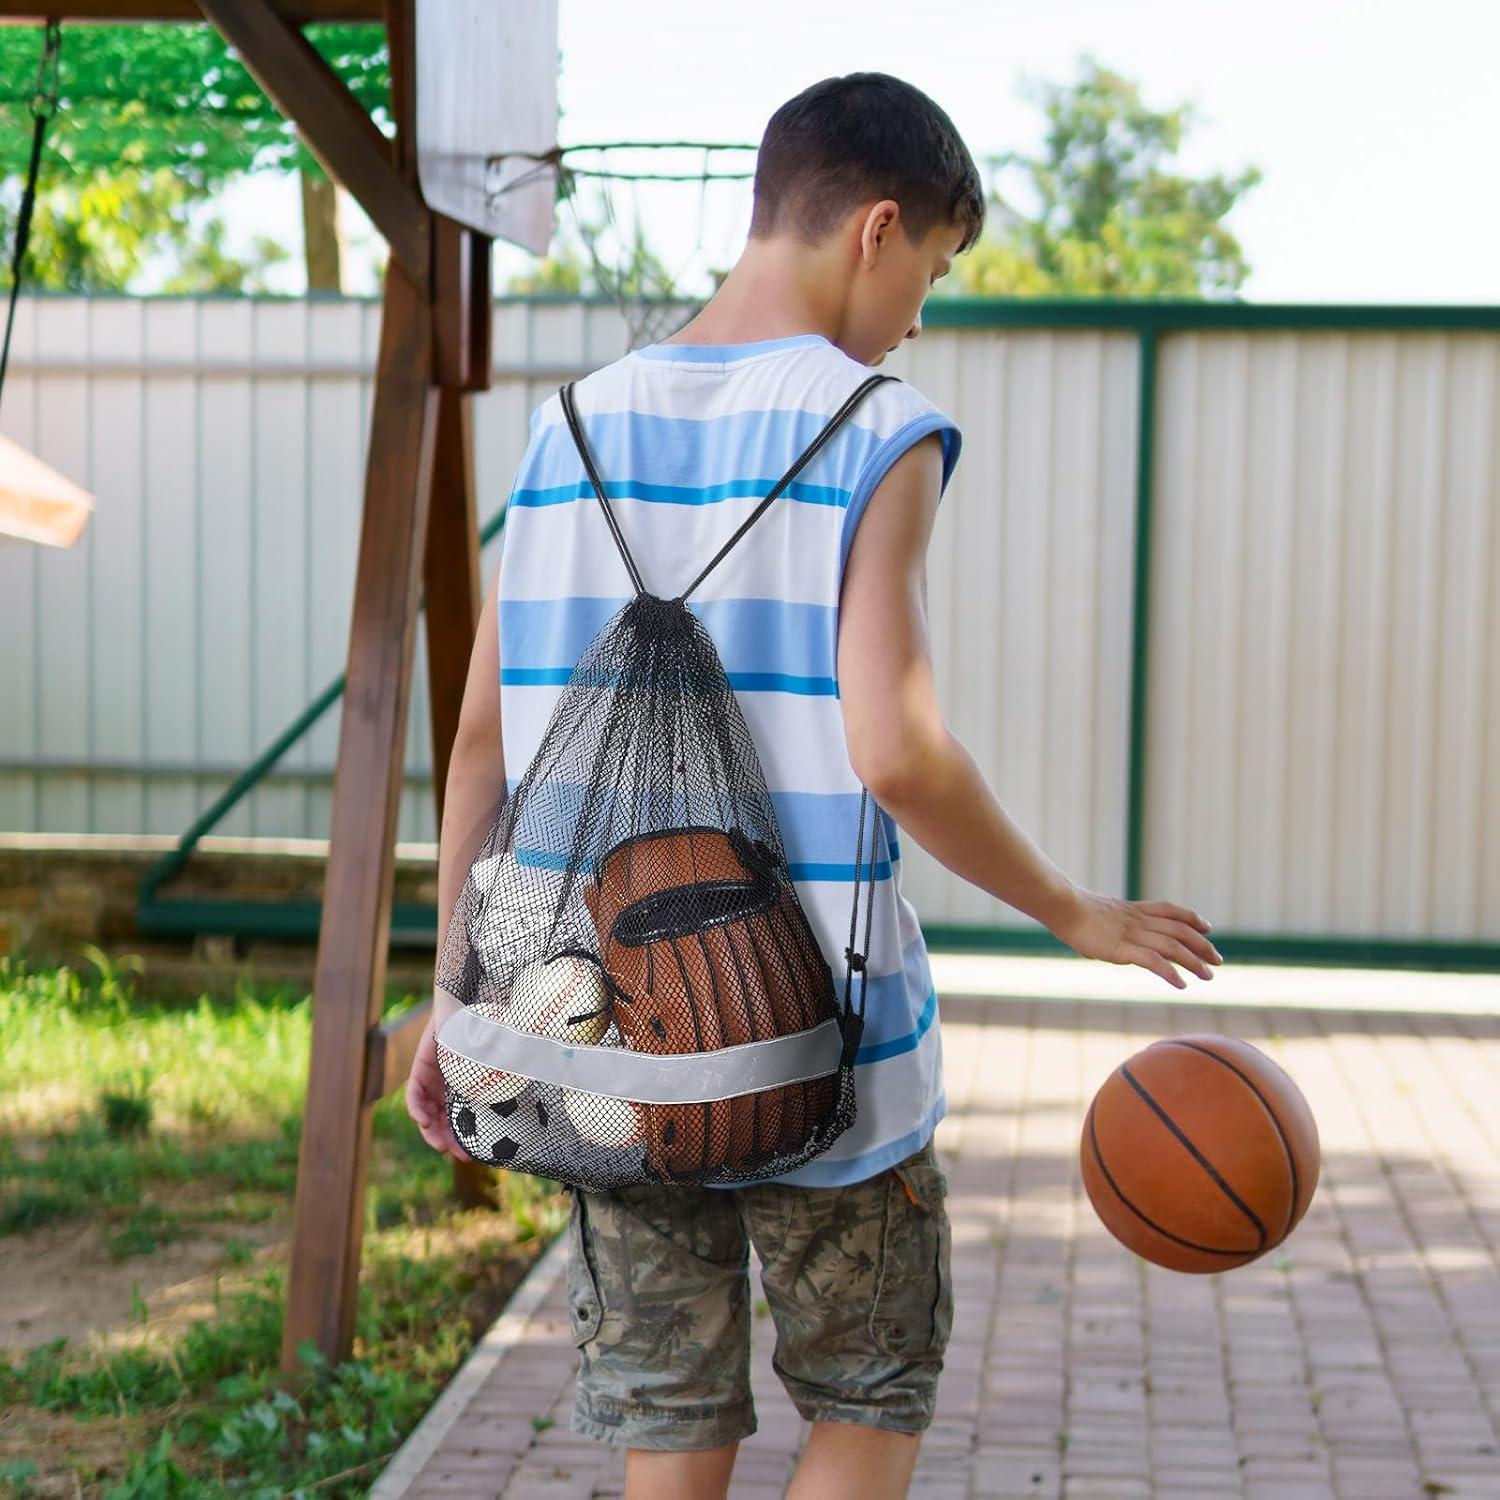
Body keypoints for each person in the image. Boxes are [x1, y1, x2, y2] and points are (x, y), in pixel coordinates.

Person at [406, 71, 1221, 1500]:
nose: (919, 314)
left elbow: (483, 744)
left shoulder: (569, 429)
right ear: (880, 229)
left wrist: (453, 992)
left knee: (668, 1419)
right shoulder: (873, 428)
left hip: (601, 1049)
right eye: (934, 274)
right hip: (827, 1057)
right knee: (863, 1398)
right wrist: (1071, 912)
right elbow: (895, 749)